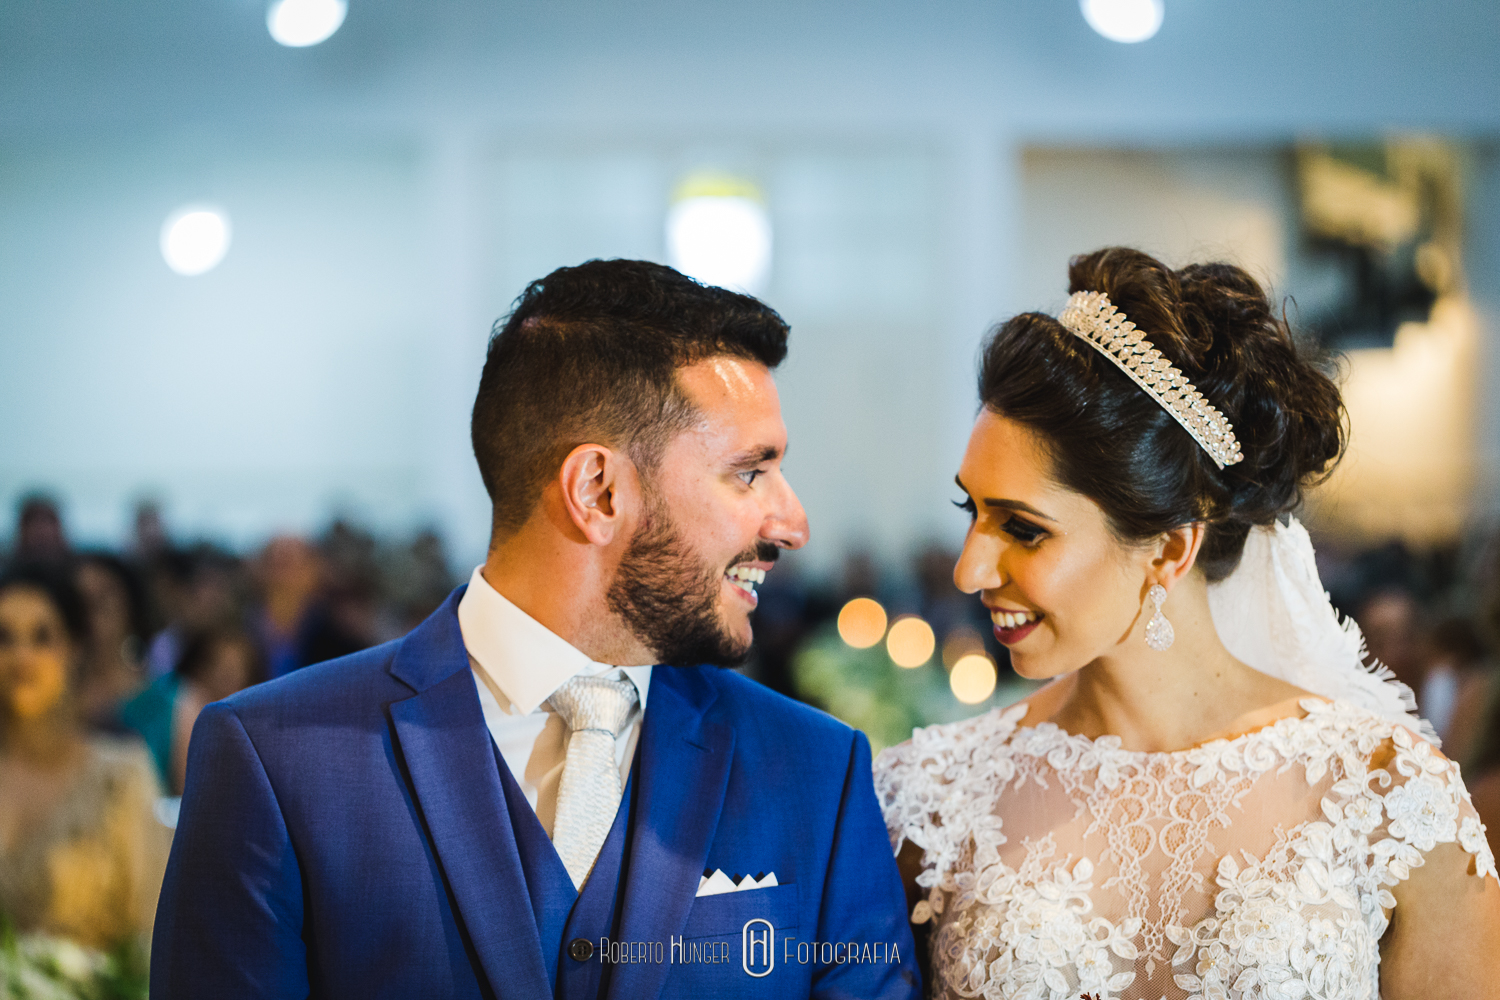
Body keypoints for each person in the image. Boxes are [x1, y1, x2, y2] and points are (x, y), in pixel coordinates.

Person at [153, 260, 920, 999]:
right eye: (750, 472)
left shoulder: (817, 771)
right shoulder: (277, 760)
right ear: (598, 489)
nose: (793, 522)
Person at [875, 248, 1500, 999]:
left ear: (1171, 547)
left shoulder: (1386, 795)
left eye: (1024, 529)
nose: (969, 571)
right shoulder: (929, 801)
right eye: (970, 514)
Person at [0, 564, 171, 952]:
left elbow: (152, 932)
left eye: (42, 637)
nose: (21, 656)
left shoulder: (121, 777)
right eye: (4, 637)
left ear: (74, 647)